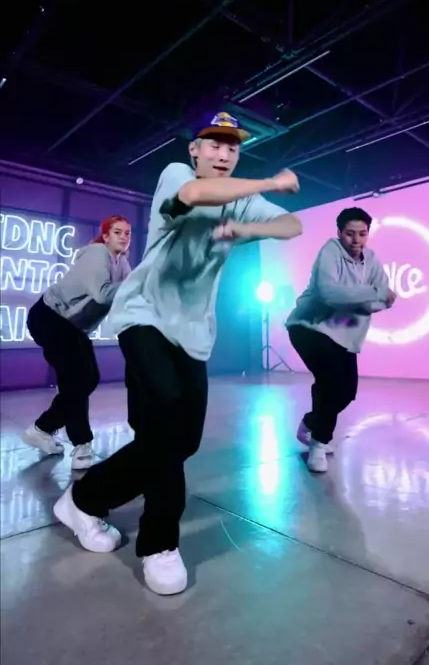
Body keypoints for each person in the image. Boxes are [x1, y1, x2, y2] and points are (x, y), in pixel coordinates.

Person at [52, 110, 302, 596]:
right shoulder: (177, 174)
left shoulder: (242, 202)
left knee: (181, 442)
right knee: (165, 418)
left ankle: (84, 498)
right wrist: (271, 181)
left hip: (192, 332)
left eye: (232, 147)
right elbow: (195, 197)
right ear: (195, 150)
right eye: (214, 145)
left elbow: (291, 225)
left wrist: (246, 230)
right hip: (144, 317)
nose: (224, 154)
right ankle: (159, 544)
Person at [286, 207, 396, 474]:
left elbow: (384, 302)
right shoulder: (330, 251)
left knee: (347, 392)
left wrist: (367, 298)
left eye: (362, 234)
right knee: (330, 382)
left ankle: (311, 424)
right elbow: (329, 294)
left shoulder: (372, 261)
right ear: (339, 232)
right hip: (309, 327)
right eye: (350, 233)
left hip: (344, 335)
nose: (356, 240)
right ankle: (318, 443)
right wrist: (374, 293)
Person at [23, 215, 132, 470]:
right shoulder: (97, 254)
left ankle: (42, 428)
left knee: (88, 378)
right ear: (105, 236)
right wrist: (138, 284)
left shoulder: (123, 264)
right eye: (117, 232)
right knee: (76, 380)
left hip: (73, 328)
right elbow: (103, 294)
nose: (124, 237)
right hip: (50, 317)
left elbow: (127, 297)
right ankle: (81, 444)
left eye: (127, 233)